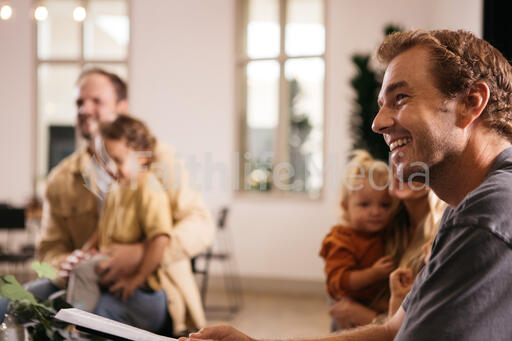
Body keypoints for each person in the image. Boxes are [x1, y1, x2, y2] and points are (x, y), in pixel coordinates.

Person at [183, 29, 512, 340]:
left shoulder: (486, 216)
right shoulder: (465, 207)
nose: (378, 123)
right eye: (383, 103)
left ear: (471, 103)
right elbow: (392, 331)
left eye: (400, 98)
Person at [0, 68, 213, 335]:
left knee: (86, 322)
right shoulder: (60, 178)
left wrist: (139, 254)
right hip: (83, 280)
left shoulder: (159, 161)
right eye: (79, 102)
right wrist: (65, 262)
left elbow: (201, 224)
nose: (84, 109)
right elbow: (48, 250)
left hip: (149, 290)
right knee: (10, 304)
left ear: (122, 107)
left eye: (96, 101)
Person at [67, 115, 172, 315]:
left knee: (83, 272)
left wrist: (137, 279)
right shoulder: (115, 188)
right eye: (106, 160)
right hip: (109, 271)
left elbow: (160, 239)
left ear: (142, 156)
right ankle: (73, 315)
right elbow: (102, 229)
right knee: (80, 269)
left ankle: (74, 324)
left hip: (142, 289)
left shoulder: (149, 189)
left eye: (117, 160)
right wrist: (86, 250)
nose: (110, 168)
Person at [329, 177, 446, 329]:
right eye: (395, 159)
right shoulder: (386, 221)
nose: (400, 171)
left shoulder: (438, 236)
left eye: (415, 164)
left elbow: (424, 323)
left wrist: (369, 317)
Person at [319, 150, 398, 323]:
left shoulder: (388, 234)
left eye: (385, 205)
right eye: (364, 204)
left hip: (374, 308)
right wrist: (373, 274)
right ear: (345, 207)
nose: (376, 212)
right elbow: (339, 281)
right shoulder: (340, 239)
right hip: (348, 310)